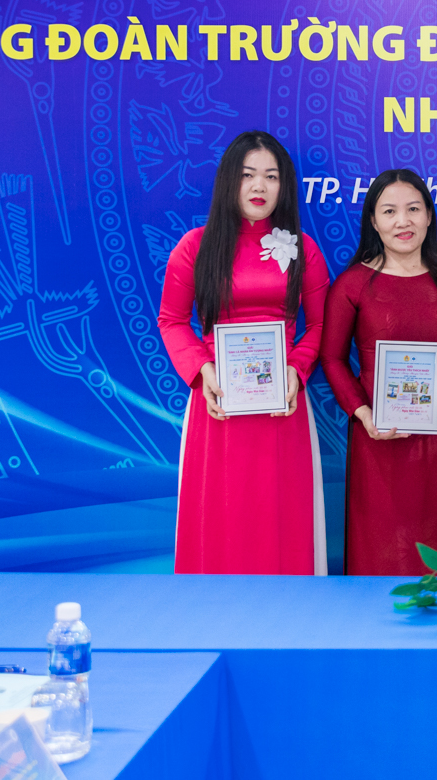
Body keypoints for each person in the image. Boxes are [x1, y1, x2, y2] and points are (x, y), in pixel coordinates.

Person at [158, 131, 330, 575]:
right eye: (248, 175)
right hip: (217, 405)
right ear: (228, 181)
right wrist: (202, 370)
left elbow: (320, 327)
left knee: (282, 520)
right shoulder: (195, 247)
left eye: (271, 176)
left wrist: (297, 369)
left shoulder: (304, 249)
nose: (259, 186)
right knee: (221, 518)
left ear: (284, 185)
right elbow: (171, 321)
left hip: (284, 406)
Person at [320, 170, 437, 576]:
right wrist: (362, 413)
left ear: (429, 217)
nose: (403, 221)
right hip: (376, 436)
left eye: (413, 209)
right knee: (378, 545)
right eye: (389, 211)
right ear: (373, 220)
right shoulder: (352, 284)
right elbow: (332, 359)